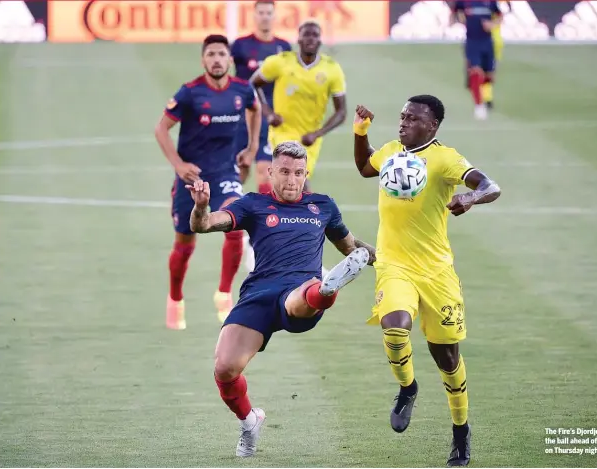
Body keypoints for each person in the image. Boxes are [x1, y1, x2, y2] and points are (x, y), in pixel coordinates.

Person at [187, 140, 375, 458]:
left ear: (306, 173)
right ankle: (249, 422)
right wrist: (201, 205)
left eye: (298, 173)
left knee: (303, 295)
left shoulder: (323, 206)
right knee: (225, 368)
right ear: (271, 171)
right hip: (258, 294)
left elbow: (351, 248)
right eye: (285, 172)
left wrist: (387, 259)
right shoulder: (252, 205)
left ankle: (327, 289)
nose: (291, 180)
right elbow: (204, 225)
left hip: (300, 290)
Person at [352, 96, 501, 466]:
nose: (403, 123)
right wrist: (360, 130)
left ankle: (460, 432)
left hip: (436, 273)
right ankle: (407, 387)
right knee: (395, 326)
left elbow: (491, 185)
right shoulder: (389, 151)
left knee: (447, 358)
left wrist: (471, 198)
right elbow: (363, 167)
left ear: (432, 126)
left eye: (413, 118)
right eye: (402, 117)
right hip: (394, 265)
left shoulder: (446, 158)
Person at [154, 34, 261, 329]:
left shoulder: (242, 90)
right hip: (191, 179)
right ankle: (175, 297)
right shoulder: (190, 93)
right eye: (211, 54)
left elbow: (256, 108)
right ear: (203, 60)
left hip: (225, 174)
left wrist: (251, 148)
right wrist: (179, 165)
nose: (216, 59)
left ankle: (224, 294)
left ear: (229, 59)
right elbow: (161, 129)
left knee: (235, 227)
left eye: (221, 54)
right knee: (185, 245)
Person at [250, 20, 347, 192]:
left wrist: (318, 133)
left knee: (295, 185)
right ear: (299, 40)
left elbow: (341, 112)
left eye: (315, 35)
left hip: (310, 138)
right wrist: (269, 113)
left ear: (320, 41)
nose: (310, 39)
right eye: (306, 35)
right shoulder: (280, 62)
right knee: (296, 181)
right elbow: (252, 85)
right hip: (283, 132)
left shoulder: (332, 69)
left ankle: (291, 217)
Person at [231, 0, 292, 194]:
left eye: (268, 13)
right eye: (261, 13)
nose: (265, 17)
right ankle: (230, 208)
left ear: (274, 16)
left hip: (270, 118)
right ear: (254, 15)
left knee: (265, 171)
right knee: (241, 169)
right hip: (243, 117)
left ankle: (263, 220)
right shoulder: (240, 46)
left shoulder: (284, 47)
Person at [452, 1, 502, 119]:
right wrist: (457, 19)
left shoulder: (490, 2)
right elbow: (455, 11)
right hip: (472, 42)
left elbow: (500, 15)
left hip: (487, 42)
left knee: (489, 76)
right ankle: (479, 106)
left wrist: (492, 24)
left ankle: (473, 83)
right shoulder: (464, 1)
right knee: (476, 72)